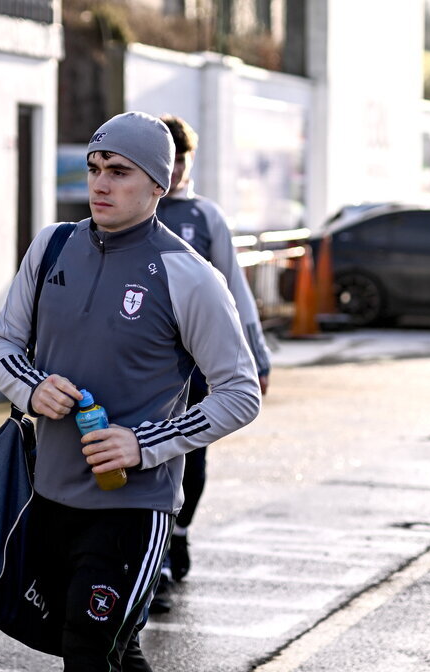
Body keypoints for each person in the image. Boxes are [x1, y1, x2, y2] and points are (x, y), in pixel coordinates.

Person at [0, 111, 261, 672]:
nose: (100, 184)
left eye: (120, 171)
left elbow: (239, 391)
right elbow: (2, 345)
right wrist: (29, 387)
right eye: (95, 166)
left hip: (131, 513)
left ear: (159, 184)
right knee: (106, 657)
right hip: (49, 501)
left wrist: (146, 444)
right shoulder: (52, 248)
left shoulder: (188, 276)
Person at [148, 113, 272, 613]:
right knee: (146, 455)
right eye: (169, 159)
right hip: (147, 367)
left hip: (196, 368)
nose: (175, 169)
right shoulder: (133, 211)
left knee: (190, 459)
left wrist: (257, 353)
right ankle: (152, 563)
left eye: (182, 159)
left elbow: (235, 290)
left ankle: (178, 533)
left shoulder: (205, 217)